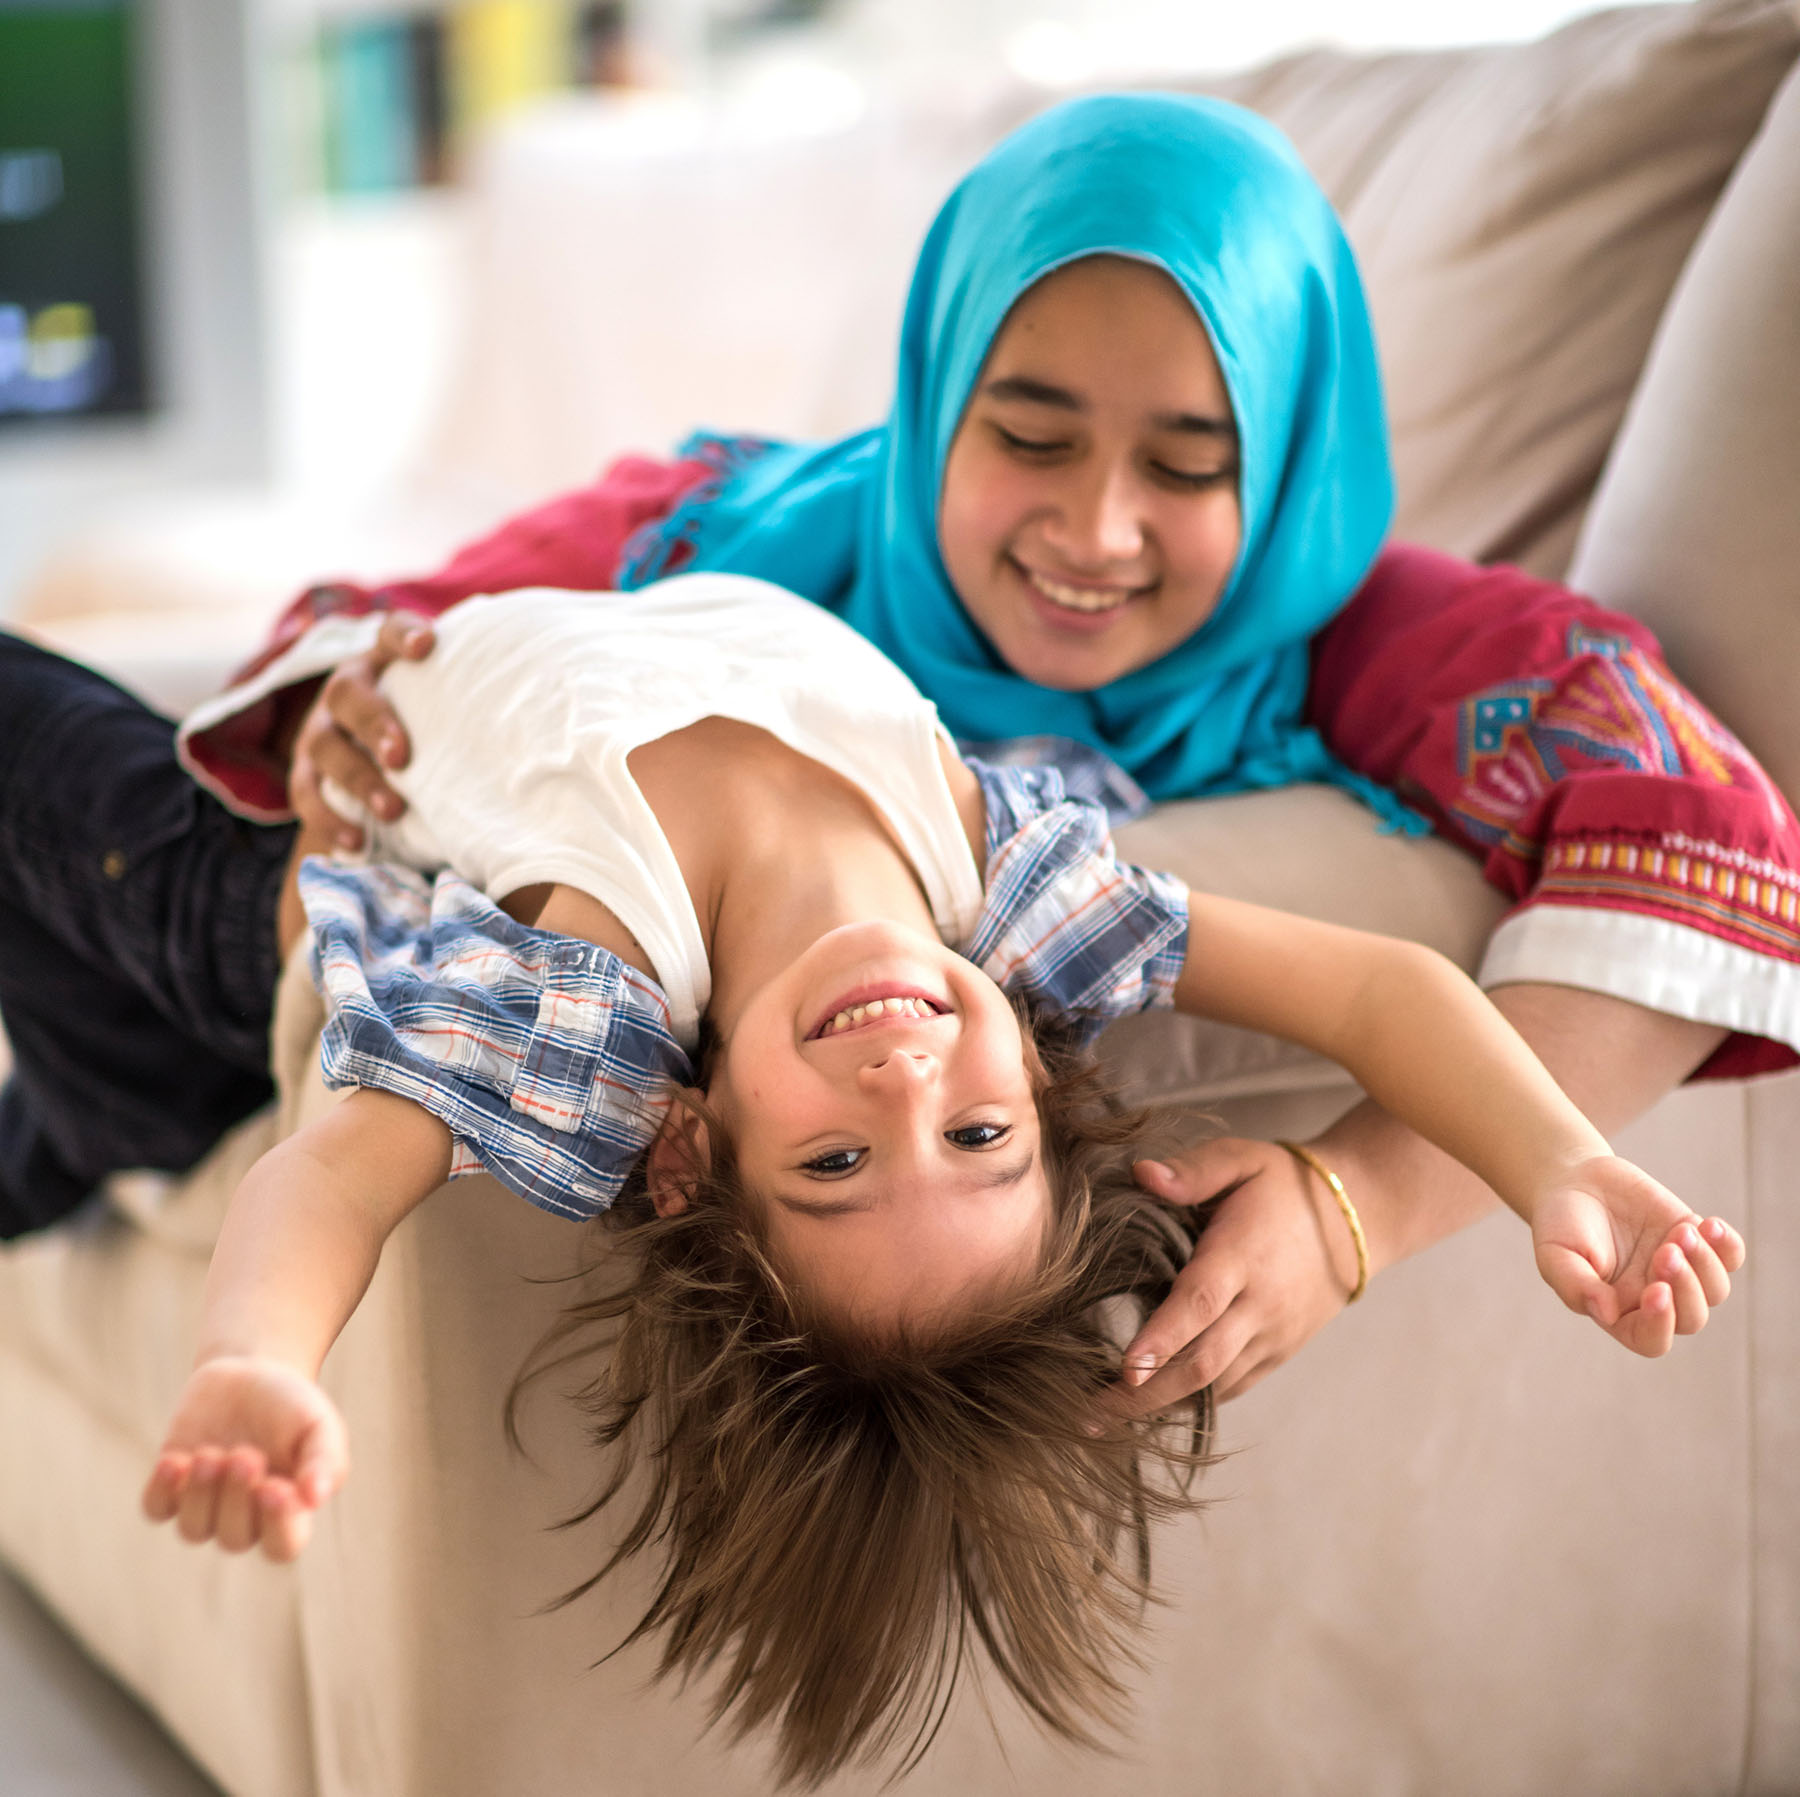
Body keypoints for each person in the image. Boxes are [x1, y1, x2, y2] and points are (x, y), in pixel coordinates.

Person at [173, 93, 1800, 1413]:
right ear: (938, 395)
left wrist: (1366, 1194)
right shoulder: (749, 519)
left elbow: (1711, 830)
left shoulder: (1375, 631)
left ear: (1293, 453)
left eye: (1188, 461)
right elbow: (377, 635)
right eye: (1025, 437)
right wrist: (350, 715)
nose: (1095, 527)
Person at [62, 570, 1721, 1786]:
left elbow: (336, 1183)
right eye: (982, 1139)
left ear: (698, 1147)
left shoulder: (595, 997)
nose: (908, 1079)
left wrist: (255, 1361)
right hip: (402, 674)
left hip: (191, 891)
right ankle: (86, 1119)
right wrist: (1559, 1164)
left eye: (838, 1161)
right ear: (1046, 1086)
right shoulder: (1017, 894)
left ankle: (86, 1116)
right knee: (77, 1096)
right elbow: (1378, 992)